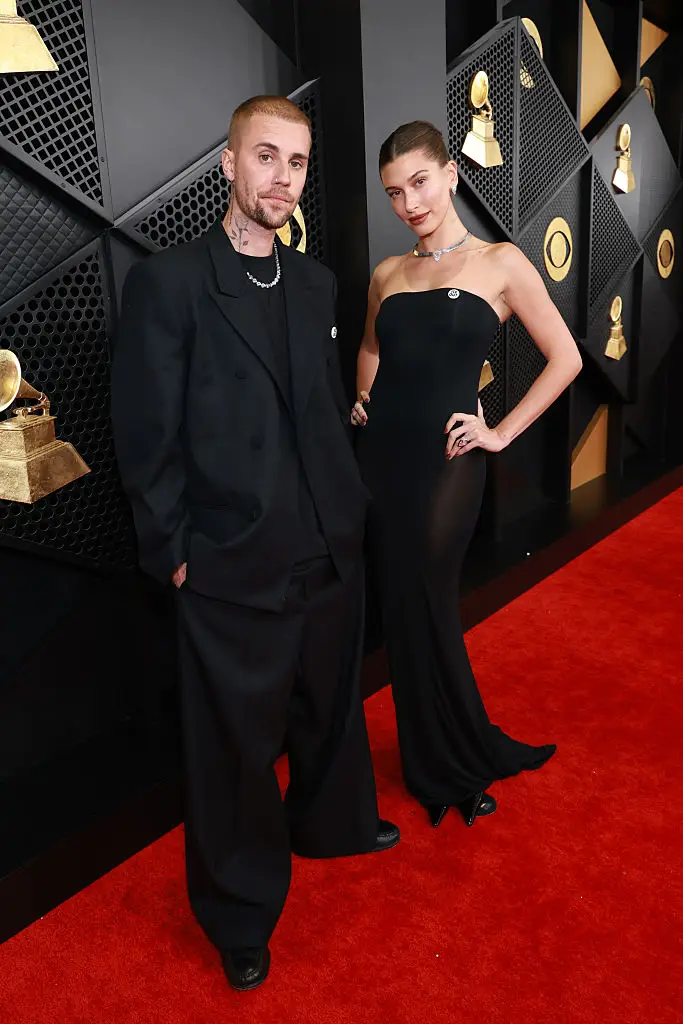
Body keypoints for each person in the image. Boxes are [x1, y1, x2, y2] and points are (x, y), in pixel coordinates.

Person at [111, 95, 399, 993]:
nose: (281, 176)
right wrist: (172, 547)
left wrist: (347, 506)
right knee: (234, 746)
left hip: (324, 536)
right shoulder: (170, 281)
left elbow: (316, 404)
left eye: (297, 161)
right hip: (228, 553)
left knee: (326, 703)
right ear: (228, 166)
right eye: (265, 157)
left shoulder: (313, 281)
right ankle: (239, 913)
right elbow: (144, 427)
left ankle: (331, 822)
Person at [352, 120, 582, 830]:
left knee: (428, 593)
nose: (409, 202)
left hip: (451, 459)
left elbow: (566, 357)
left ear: (450, 174)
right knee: (400, 605)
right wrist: (363, 401)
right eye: (394, 192)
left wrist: (499, 431)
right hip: (382, 458)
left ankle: (453, 758)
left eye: (419, 182)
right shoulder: (388, 274)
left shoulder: (501, 262)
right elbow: (370, 348)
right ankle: (434, 755)